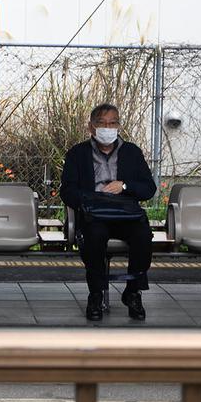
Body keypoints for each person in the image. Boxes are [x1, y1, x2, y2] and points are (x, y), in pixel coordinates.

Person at [60, 103, 156, 320]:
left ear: (119, 126)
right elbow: (67, 190)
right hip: (95, 213)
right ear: (91, 127)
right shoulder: (78, 153)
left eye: (113, 123)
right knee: (94, 237)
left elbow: (149, 188)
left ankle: (133, 292)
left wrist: (124, 186)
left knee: (143, 236)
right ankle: (96, 293)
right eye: (102, 123)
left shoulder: (132, 152)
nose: (108, 127)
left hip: (125, 213)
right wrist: (90, 198)